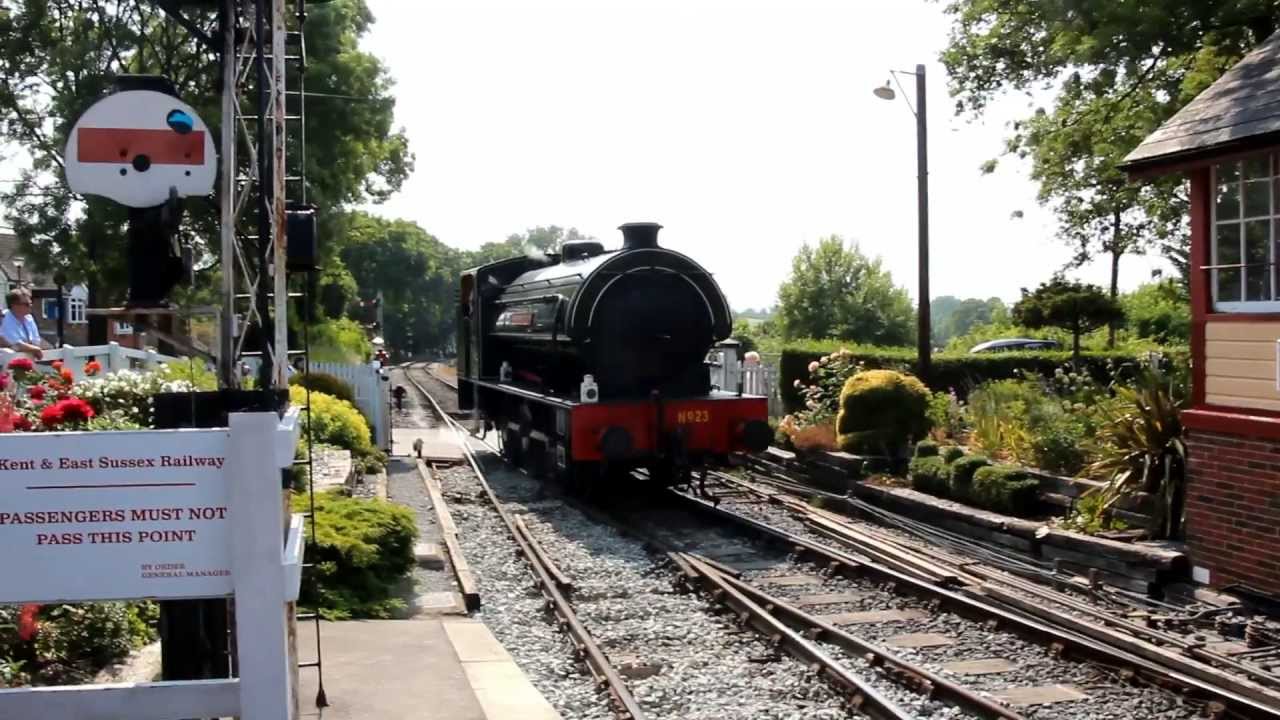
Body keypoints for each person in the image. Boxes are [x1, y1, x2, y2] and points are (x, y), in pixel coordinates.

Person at [0, 290, 44, 359]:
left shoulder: (29, 318)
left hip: (28, 360)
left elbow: (36, 341)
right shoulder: (4, 318)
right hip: (8, 363)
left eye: (31, 302)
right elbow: (16, 344)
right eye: (27, 304)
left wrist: (32, 348)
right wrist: (35, 349)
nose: (31, 305)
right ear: (14, 305)